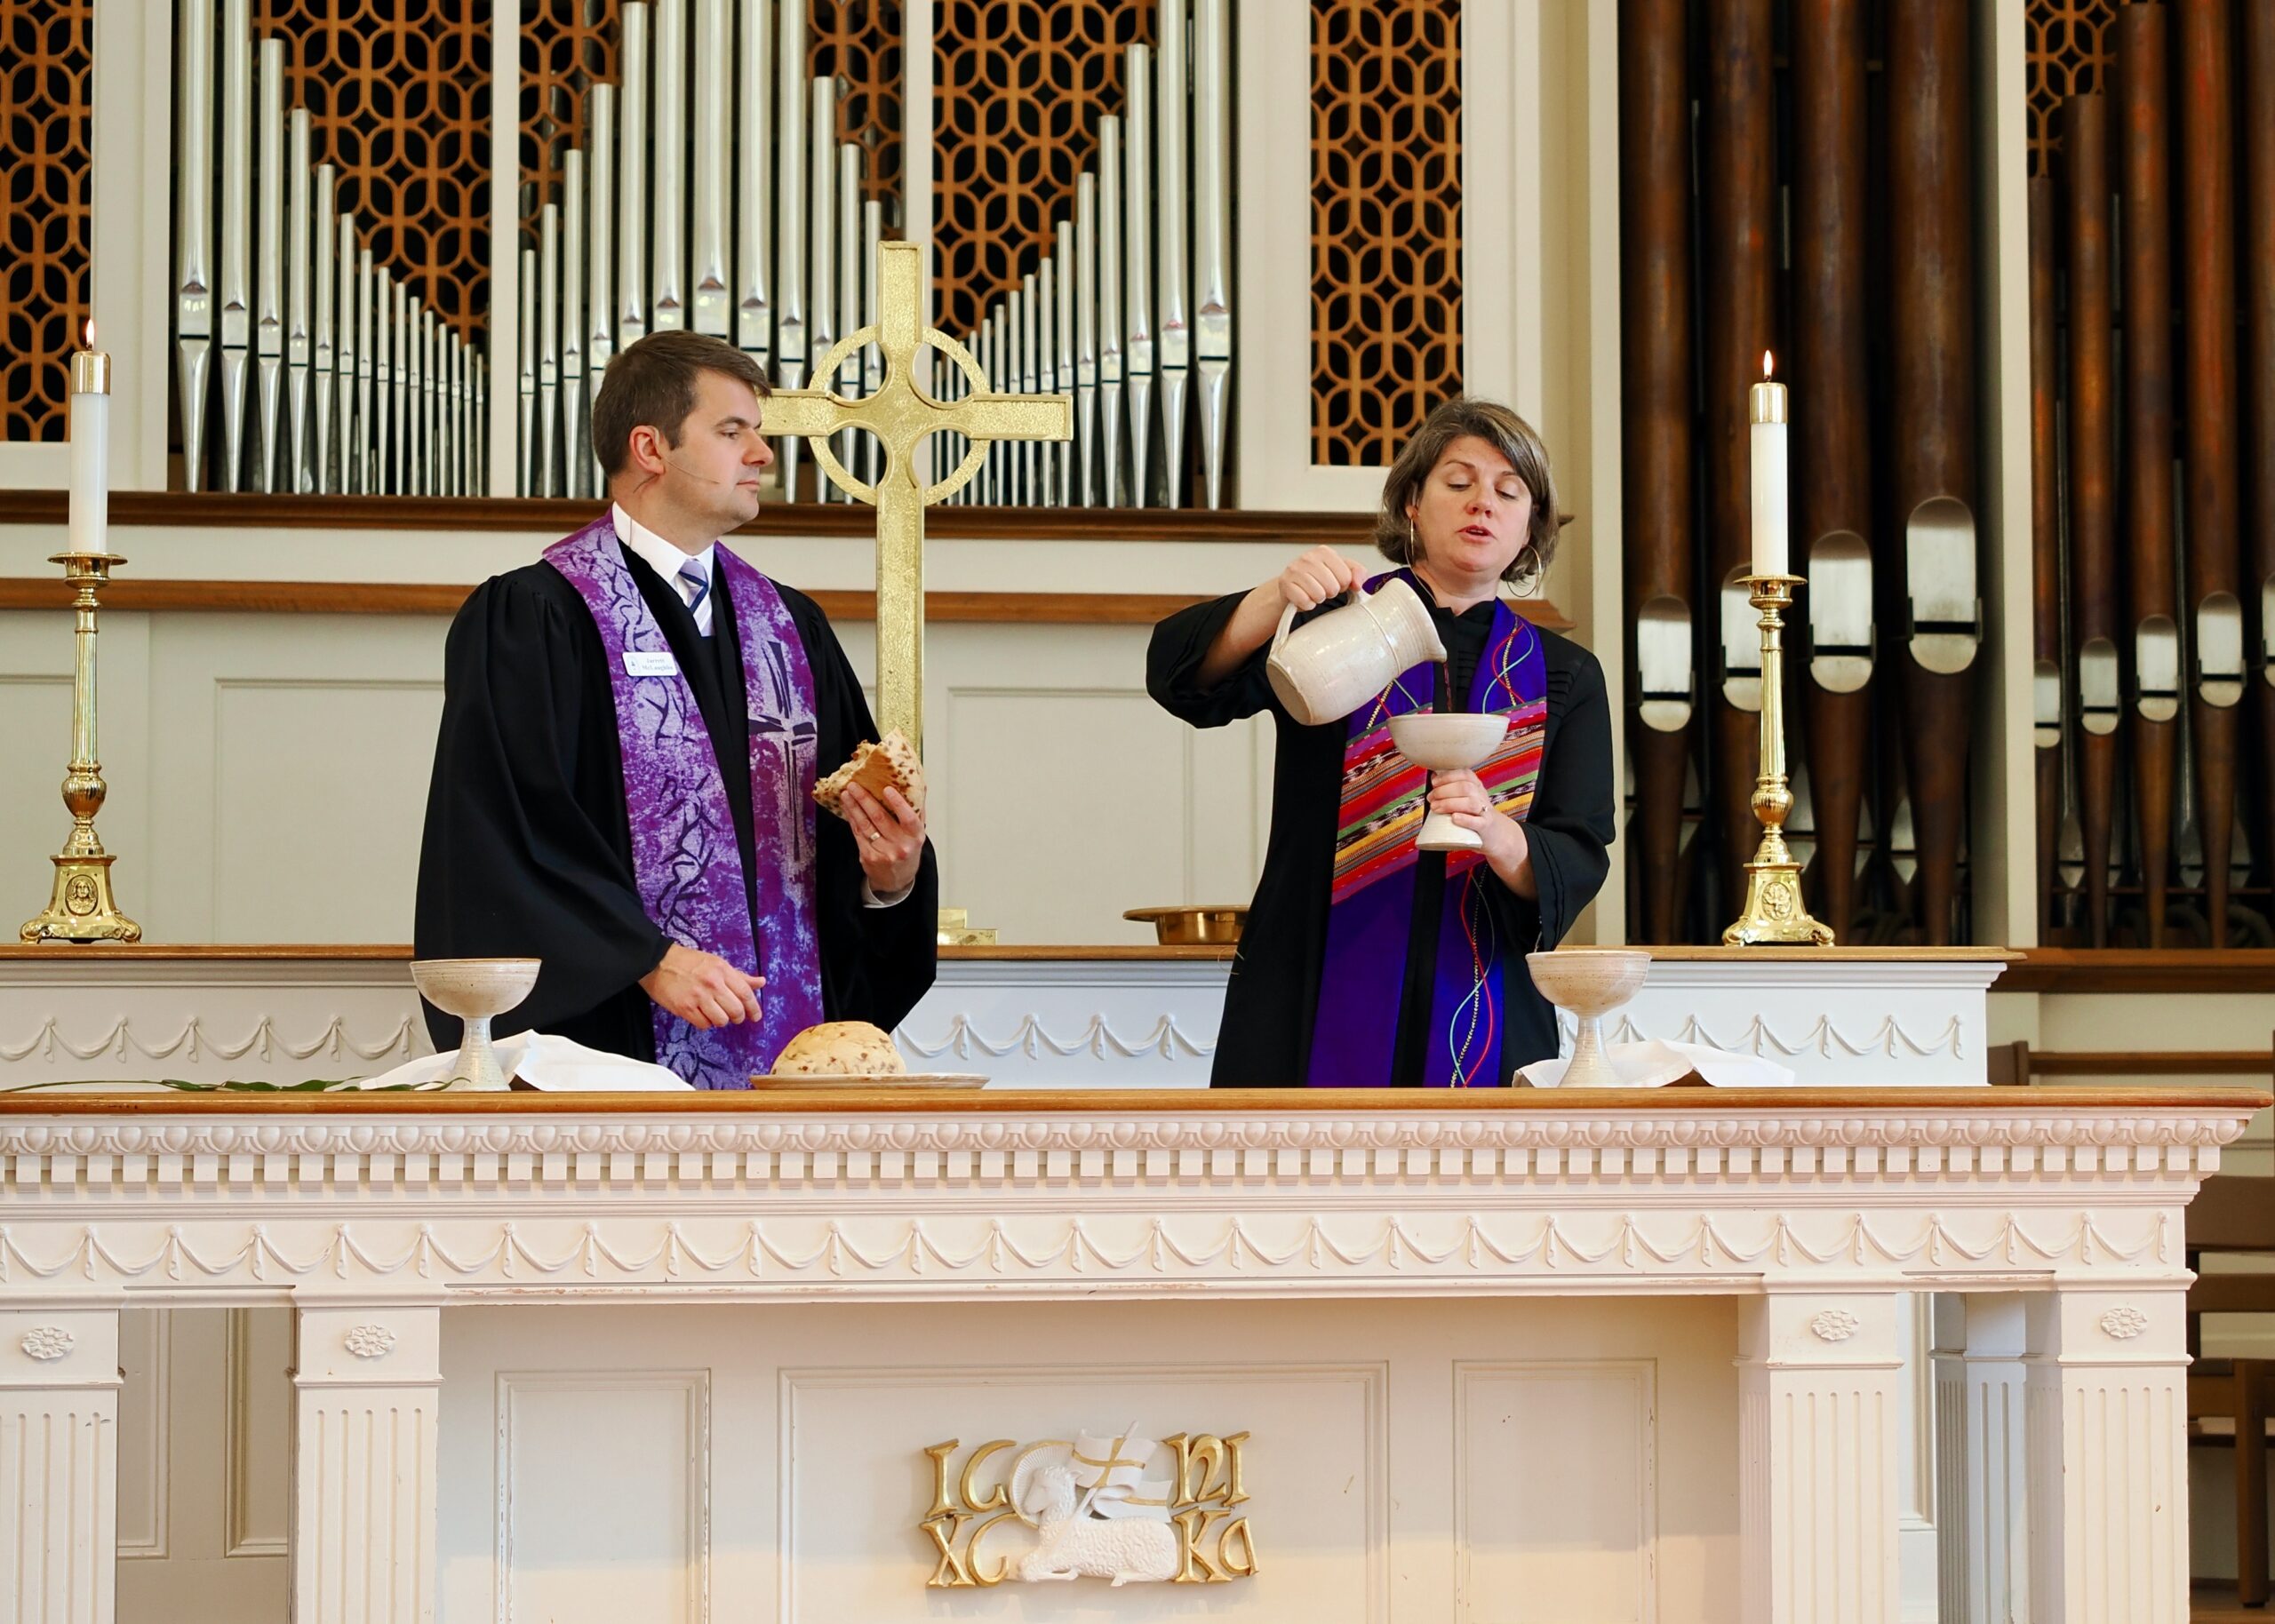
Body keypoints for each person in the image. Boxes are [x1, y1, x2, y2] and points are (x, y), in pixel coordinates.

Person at [414, 330, 938, 1088]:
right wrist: (645, 958)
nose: (762, 453)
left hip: (780, 1062)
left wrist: (890, 880)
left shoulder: (790, 631)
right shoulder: (535, 620)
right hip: (606, 1060)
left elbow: (847, 831)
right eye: (733, 432)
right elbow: (506, 833)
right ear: (650, 448)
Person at [1148, 399, 1614, 1087]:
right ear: (1413, 506)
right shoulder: (1333, 623)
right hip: (1307, 989)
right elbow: (1179, 678)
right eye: (1458, 483)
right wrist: (1277, 597)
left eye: (1509, 491)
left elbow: (1576, 852)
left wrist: (1496, 832)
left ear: (1529, 531)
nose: (1482, 503)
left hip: (1486, 992)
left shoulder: (1566, 674)